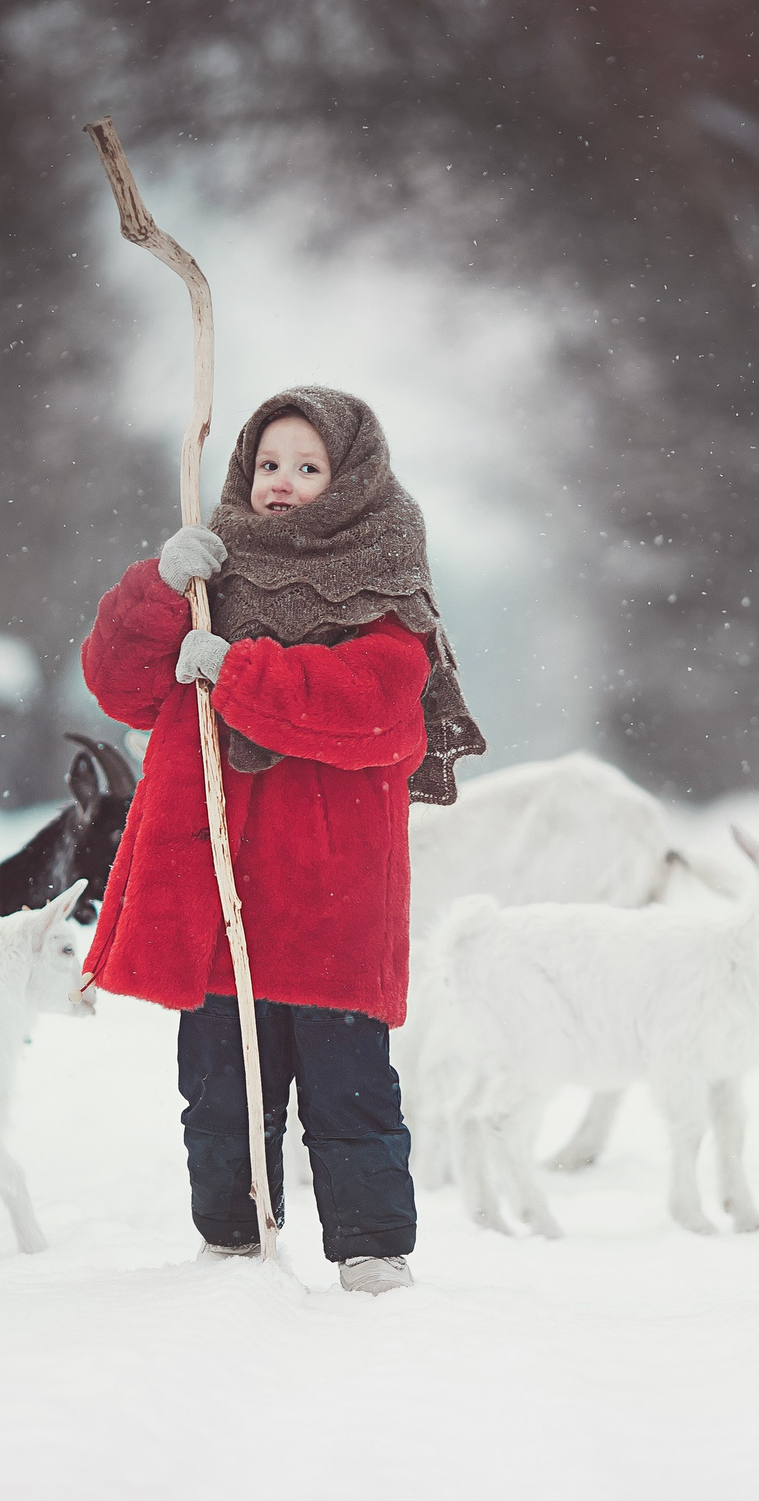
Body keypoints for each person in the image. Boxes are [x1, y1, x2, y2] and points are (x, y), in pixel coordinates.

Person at [77, 386, 485, 1293]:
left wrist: (241, 671)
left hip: (328, 889)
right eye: (268, 464)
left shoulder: (382, 572)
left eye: (308, 467)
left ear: (351, 481)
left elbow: (381, 708)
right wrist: (158, 588)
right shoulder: (209, 568)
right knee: (220, 1090)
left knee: (348, 1090)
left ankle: (373, 1252)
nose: (281, 484)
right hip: (215, 882)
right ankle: (232, 1242)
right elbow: (119, 686)